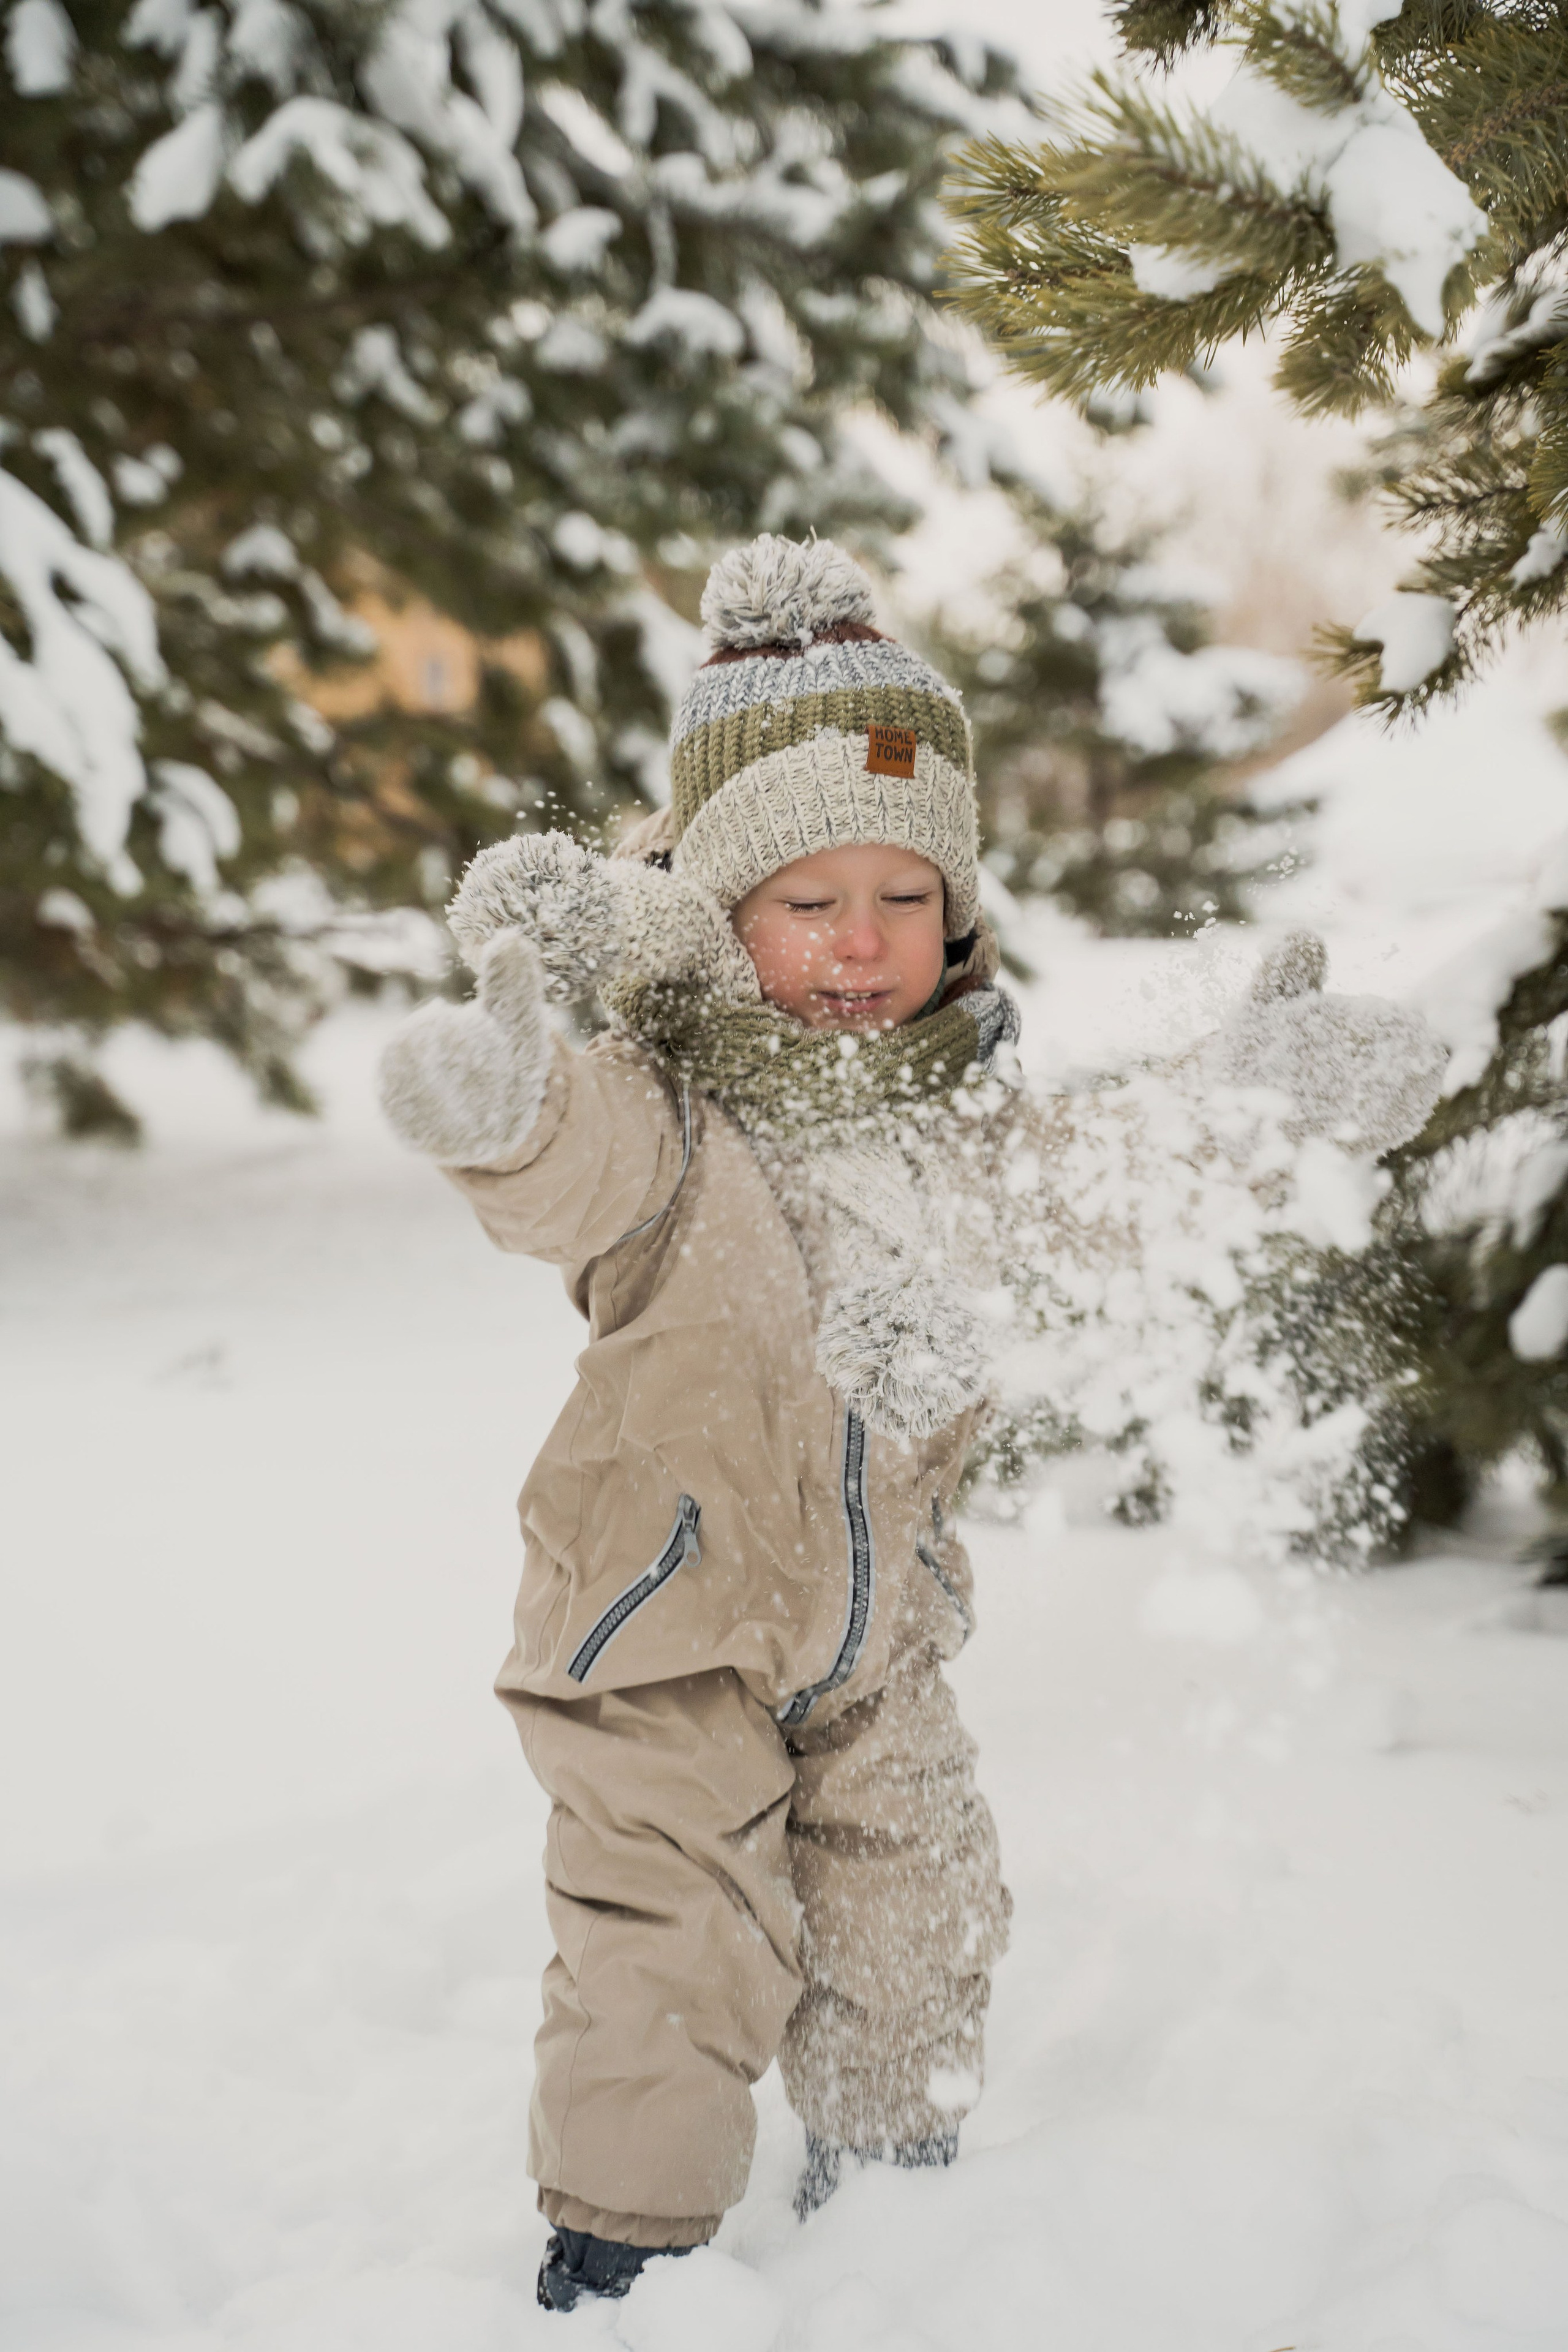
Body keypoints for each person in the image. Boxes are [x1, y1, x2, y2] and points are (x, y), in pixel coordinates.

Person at [378, 534, 1445, 2312]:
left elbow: (1111, 1182)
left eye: (903, 892)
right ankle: (622, 2260)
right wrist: (506, 1110)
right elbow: (568, 1170)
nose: (863, 941)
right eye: (807, 899)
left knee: (921, 1908)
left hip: (879, 1647)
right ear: (718, 911)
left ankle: (897, 2209)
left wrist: (1257, 1111)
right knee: (670, 1953)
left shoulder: (970, 1122)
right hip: (656, 1638)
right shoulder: (667, 1118)